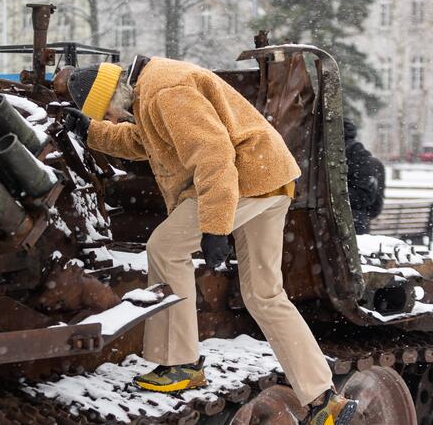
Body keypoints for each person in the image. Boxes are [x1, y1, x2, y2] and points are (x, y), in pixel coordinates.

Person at [62, 60, 356, 425]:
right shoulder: (153, 91)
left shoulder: (164, 91)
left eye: (106, 109)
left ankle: (180, 362)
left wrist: (215, 226)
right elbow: (145, 142)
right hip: (269, 178)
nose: (113, 116)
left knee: (165, 248)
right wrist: (92, 131)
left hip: (243, 180)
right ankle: (324, 400)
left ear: (112, 92)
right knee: (265, 295)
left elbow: (213, 153)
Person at [344, 118, 385, 234]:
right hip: (358, 221)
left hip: (352, 223)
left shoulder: (352, 154)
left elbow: (364, 196)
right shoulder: (371, 161)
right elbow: (375, 204)